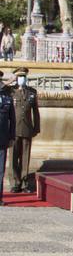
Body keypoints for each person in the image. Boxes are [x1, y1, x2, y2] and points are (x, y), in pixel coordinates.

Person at [9, 67, 39, 193]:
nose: (22, 79)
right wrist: (9, 82)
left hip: (27, 128)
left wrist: (36, 127)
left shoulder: (32, 92)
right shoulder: (10, 91)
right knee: (13, 156)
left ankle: (25, 180)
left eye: (23, 76)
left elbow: (35, 112)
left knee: (25, 156)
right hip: (13, 129)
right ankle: (15, 182)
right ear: (16, 78)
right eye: (19, 76)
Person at [0, 75, 12, 203]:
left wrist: (11, 137)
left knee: (1, 170)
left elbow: (12, 120)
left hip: (2, 139)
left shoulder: (7, 98)